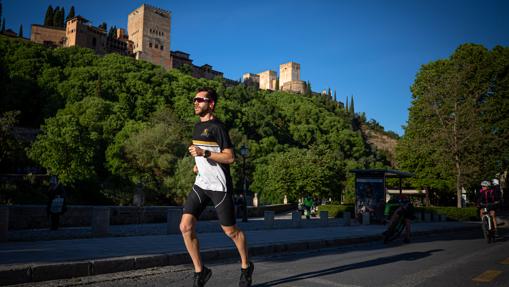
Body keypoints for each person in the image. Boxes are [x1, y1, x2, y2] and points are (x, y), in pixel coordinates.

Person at [180, 88, 254, 287]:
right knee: (185, 227)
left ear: (211, 103)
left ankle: (246, 266)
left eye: (199, 100)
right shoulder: (196, 127)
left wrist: (204, 154)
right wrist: (198, 164)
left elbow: (230, 157)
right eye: (194, 99)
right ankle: (200, 271)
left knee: (231, 232)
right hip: (201, 184)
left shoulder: (218, 127)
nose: (195, 103)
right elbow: (203, 154)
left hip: (219, 187)